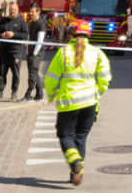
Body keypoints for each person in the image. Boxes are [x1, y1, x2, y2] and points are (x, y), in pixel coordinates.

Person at [45, 20, 111, 186]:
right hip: (90, 104)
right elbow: (105, 78)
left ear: (72, 34)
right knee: (80, 138)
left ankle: (75, 163)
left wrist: (51, 94)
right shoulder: (96, 53)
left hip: (69, 104)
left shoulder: (64, 53)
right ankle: (77, 173)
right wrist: (97, 93)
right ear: (88, 34)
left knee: (65, 136)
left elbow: (51, 78)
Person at [0, 2, 27, 100]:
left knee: (15, 73)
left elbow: (25, 35)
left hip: (15, 52)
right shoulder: (3, 21)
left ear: (18, 10)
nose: (12, 11)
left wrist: (14, 35)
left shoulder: (21, 22)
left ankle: (14, 91)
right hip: (3, 51)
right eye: (11, 9)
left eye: (14, 10)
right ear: (9, 10)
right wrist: (1, 35)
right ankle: (0, 92)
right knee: (1, 72)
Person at [22, 4, 48, 103]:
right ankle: (39, 94)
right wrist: (28, 51)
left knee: (32, 73)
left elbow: (40, 41)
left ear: (38, 12)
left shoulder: (41, 24)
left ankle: (28, 95)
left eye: (32, 12)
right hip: (31, 52)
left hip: (37, 53)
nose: (30, 13)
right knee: (35, 73)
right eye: (30, 11)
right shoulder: (31, 23)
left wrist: (34, 54)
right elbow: (29, 39)